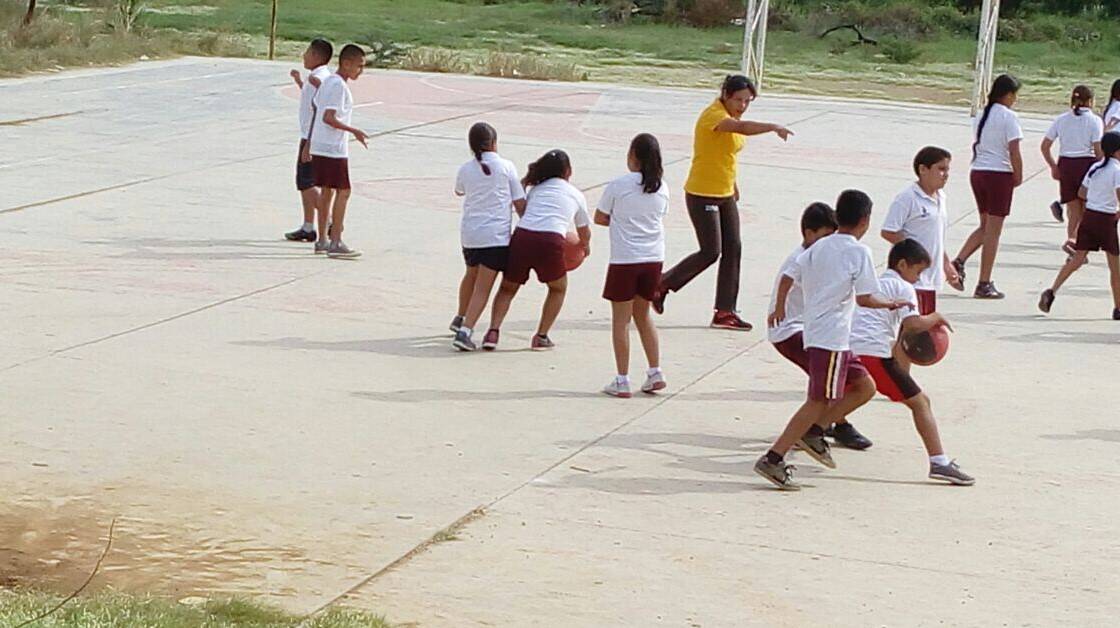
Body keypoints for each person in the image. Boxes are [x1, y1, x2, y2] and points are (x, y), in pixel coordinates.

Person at [756, 190, 909, 490]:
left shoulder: (818, 247)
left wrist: (779, 305)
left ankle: (817, 430)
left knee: (865, 386)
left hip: (820, 334)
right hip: (830, 337)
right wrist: (890, 304)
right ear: (865, 220)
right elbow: (865, 298)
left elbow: (789, 274)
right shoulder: (858, 252)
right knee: (819, 400)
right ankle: (774, 458)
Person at [655, 75, 793, 331]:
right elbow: (739, 128)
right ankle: (662, 284)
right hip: (702, 193)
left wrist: (733, 185)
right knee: (711, 251)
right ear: (726, 95)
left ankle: (725, 311)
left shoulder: (733, 116)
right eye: (738, 99)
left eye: (748, 101)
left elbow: (724, 154)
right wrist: (773, 126)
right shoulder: (713, 115)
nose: (742, 106)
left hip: (724, 191)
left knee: (734, 248)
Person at [847, 239, 975, 485]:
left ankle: (814, 430)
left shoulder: (875, 282)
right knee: (920, 402)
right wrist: (935, 317)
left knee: (847, 396)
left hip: (851, 348)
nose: (917, 279)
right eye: (917, 272)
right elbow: (914, 324)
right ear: (903, 265)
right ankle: (939, 462)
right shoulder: (903, 287)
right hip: (872, 352)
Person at [768, 202, 873, 451]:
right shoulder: (802, 257)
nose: (830, 240)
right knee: (824, 390)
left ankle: (826, 425)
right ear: (808, 233)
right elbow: (786, 280)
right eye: (825, 235)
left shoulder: (820, 253)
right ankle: (818, 429)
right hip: (792, 331)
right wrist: (780, 308)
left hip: (808, 329)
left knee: (829, 385)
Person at [485, 150, 591, 351]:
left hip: (522, 236)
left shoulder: (536, 190)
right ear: (568, 171)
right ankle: (541, 336)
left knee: (507, 288)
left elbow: (525, 212)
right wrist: (584, 246)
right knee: (558, 288)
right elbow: (584, 230)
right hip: (550, 241)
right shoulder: (576, 194)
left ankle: (493, 332)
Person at [596, 134, 670, 398]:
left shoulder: (619, 185)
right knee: (643, 314)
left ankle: (622, 378)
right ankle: (654, 371)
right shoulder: (662, 187)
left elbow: (600, 217)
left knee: (620, 320)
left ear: (633, 156)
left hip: (625, 258)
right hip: (653, 257)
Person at [451, 123, 527, 352]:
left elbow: (459, 191)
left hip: (470, 233)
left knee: (470, 275)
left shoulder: (466, 168)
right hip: (494, 235)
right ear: (494, 142)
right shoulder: (506, 167)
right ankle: (466, 331)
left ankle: (460, 316)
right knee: (483, 287)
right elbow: (519, 200)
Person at [951, 74, 1023, 300]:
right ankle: (984, 282)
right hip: (998, 174)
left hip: (979, 172)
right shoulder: (1009, 117)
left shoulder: (983, 114)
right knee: (993, 231)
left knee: (985, 225)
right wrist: (1018, 175)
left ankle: (959, 260)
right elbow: (1014, 150)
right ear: (1009, 94)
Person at [1039, 131, 1120, 321]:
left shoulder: (1095, 168)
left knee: (1077, 258)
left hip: (1090, 216)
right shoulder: (1117, 170)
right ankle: (1118, 307)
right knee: (1115, 266)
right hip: (1107, 219)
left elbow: (1082, 193)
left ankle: (1052, 290)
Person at [305, 44, 369, 259]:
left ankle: (322, 239)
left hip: (321, 145)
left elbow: (316, 108)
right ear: (347, 63)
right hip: (333, 148)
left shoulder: (328, 83)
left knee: (327, 192)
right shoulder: (338, 85)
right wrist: (353, 131)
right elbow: (328, 117)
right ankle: (335, 240)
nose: (360, 71)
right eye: (359, 66)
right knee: (343, 191)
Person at [882, 146, 961, 316]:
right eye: (940, 169)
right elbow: (889, 231)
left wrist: (946, 265)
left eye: (947, 170)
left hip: (931, 278)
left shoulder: (941, 197)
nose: (945, 174)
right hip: (913, 278)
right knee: (913, 328)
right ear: (923, 169)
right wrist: (914, 253)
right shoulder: (907, 198)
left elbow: (936, 237)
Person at [1041, 85, 1103, 252]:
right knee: (1086, 209)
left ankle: (1071, 239)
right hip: (1086, 165)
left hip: (1066, 165)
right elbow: (1097, 150)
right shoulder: (1095, 120)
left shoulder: (1061, 119)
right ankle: (1080, 244)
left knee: (1073, 210)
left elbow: (1045, 146)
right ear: (1090, 101)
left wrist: (1053, 166)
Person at [285, 38, 333, 243]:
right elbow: (311, 99)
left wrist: (310, 144)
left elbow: (318, 109)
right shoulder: (319, 77)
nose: (304, 56)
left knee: (305, 182)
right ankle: (308, 226)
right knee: (305, 182)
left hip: (311, 137)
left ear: (316, 56)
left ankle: (328, 220)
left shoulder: (318, 79)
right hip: (310, 136)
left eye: (307, 52)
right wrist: (298, 81)